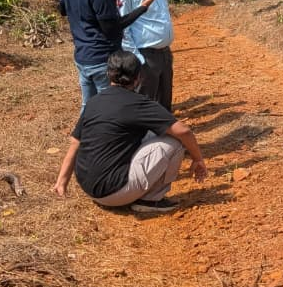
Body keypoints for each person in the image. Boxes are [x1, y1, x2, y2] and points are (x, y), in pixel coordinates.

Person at [52, 51, 207, 213]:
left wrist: (62, 182)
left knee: (150, 133)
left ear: (108, 74)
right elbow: (183, 131)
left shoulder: (94, 101)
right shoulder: (139, 104)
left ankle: (129, 190)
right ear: (138, 77)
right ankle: (150, 200)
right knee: (174, 142)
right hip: (113, 193)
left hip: (88, 187)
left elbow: (76, 142)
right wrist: (198, 159)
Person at [58, 0, 156, 117]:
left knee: (89, 106)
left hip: (83, 57)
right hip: (103, 60)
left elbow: (63, 10)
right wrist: (143, 7)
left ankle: (83, 135)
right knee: (111, 110)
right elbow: (112, 29)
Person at [119, 0, 174, 110]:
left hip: (164, 54)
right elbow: (123, 28)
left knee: (164, 105)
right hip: (146, 56)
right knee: (144, 106)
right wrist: (138, 60)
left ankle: (164, 127)